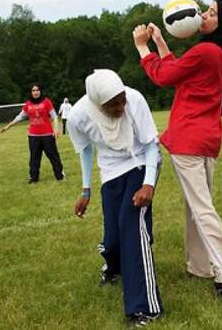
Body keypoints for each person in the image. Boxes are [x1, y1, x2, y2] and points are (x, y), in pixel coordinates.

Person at [133, 0, 222, 296]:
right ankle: (200, 265)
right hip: (207, 139)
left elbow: (162, 76)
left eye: (212, 13)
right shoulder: (217, 53)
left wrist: (142, 47)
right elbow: (177, 71)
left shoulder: (206, 50)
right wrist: (160, 41)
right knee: (196, 207)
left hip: (189, 140)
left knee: (201, 208)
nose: (204, 15)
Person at [68, 70, 163, 327]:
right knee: (112, 239)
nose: (121, 107)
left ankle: (143, 308)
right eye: (113, 105)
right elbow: (86, 149)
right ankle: (114, 268)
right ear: (98, 104)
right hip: (110, 171)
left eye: (122, 100)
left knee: (132, 229)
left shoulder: (135, 99)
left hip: (142, 163)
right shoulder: (78, 116)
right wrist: (86, 189)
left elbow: (152, 144)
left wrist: (148, 184)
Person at [1, 84, 64, 183]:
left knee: (53, 156)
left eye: (37, 90)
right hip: (33, 136)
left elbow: (54, 116)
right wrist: (8, 126)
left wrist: (56, 130)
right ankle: (34, 178)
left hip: (47, 135)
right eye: (33, 90)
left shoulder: (46, 102)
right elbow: (20, 117)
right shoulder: (28, 104)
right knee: (34, 157)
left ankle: (59, 175)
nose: (35, 92)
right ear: (31, 92)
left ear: (40, 91)